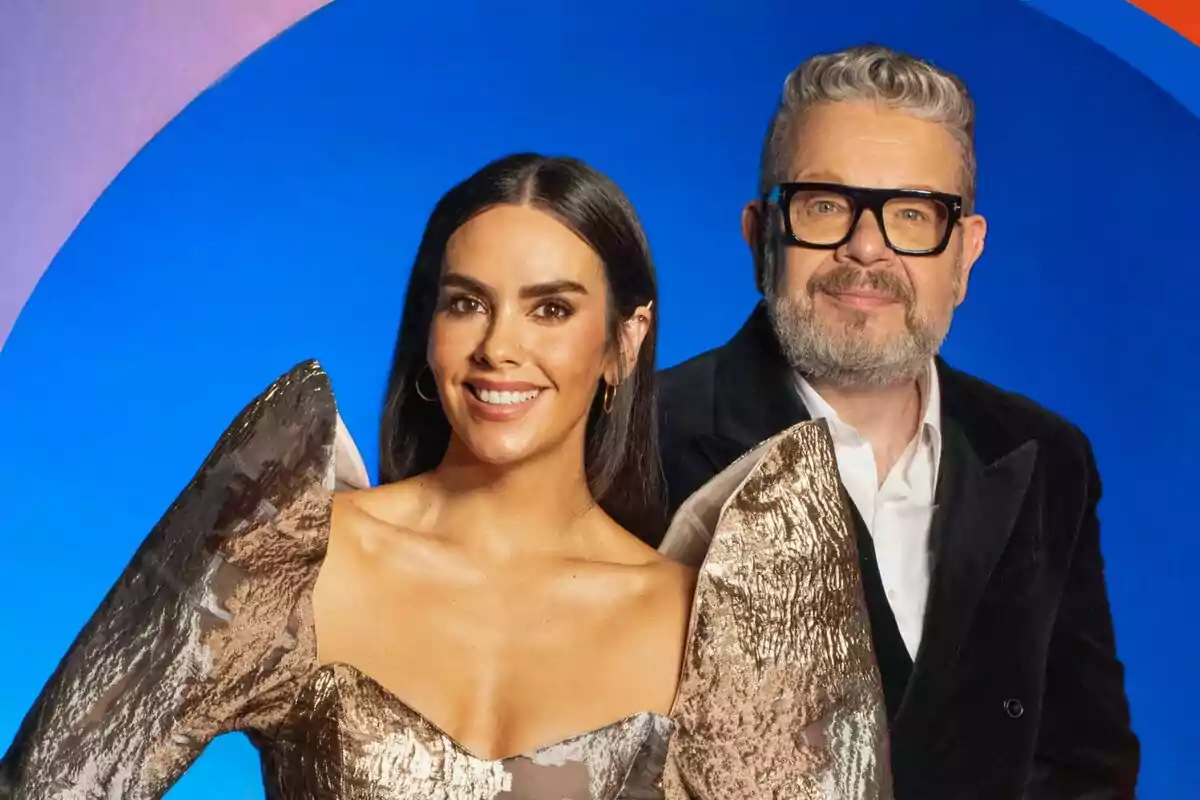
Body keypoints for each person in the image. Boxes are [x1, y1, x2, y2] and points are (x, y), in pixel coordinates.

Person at [1, 154, 892, 799]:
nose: (500, 347)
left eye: (551, 309)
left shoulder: (702, 623)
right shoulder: (293, 558)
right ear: (429, 333)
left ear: (624, 342)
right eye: (466, 303)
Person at [656, 44, 1140, 799]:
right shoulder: (635, 443)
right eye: (825, 205)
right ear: (761, 235)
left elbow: (1086, 765)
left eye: (915, 214)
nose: (867, 248)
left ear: (966, 253)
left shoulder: (1047, 456)